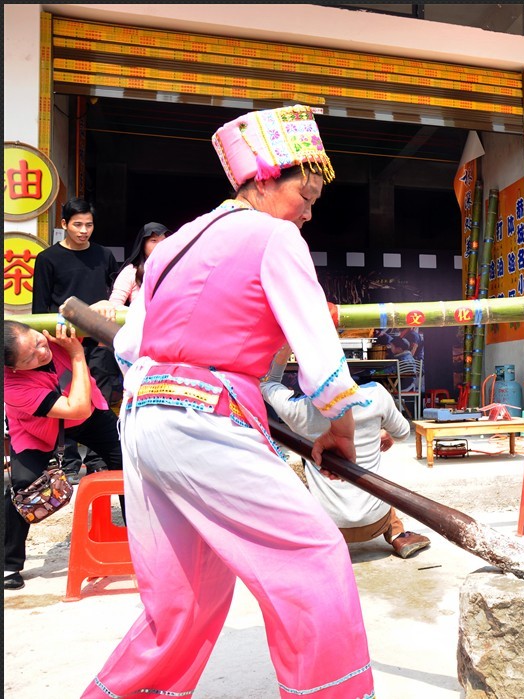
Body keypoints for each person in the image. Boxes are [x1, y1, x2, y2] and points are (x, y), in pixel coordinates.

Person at [85, 105, 375, 698]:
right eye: (306, 193)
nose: (309, 212)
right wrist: (341, 429)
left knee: (184, 596)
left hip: (145, 421)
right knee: (313, 557)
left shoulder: (173, 244)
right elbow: (320, 359)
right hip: (206, 422)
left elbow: (132, 346)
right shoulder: (275, 236)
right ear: (264, 180)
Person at [262, 346, 431, 559]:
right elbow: (403, 432)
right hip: (375, 522)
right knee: (377, 482)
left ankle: (306, 543)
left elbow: (268, 383)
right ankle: (397, 533)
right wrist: (384, 432)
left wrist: (284, 351)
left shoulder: (299, 410)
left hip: (327, 528)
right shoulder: (375, 394)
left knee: (297, 479)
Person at [3, 321, 123, 591]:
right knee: (25, 490)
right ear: (13, 368)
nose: (41, 352)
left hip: (90, 413)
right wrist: (76, 354)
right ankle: (9, 563)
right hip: (39, 430)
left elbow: (92, 321)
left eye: (37, 341)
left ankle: (139, 540)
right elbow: (74, 408)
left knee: (127, 467)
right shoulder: (13, 387)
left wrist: (99, 308)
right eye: (29, 357)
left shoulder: (54, 333)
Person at [32, 198, 123, 483]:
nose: (84, 230)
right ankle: (69, 461)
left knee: (102, 399)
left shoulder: (104, 255)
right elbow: (40, 307)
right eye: (77, 225)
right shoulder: (47, 259)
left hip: (98, 340)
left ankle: (97, 461)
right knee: (67, 401)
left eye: (89, 225)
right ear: (64, 225)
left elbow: (115, 297)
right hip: (63, 343)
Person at [108, 222, 171, 306]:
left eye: (164, 241)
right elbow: (114, 305)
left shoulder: (174, 270)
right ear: (143, 244)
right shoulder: (131, 272)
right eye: (153, 240)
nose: (159, 245)